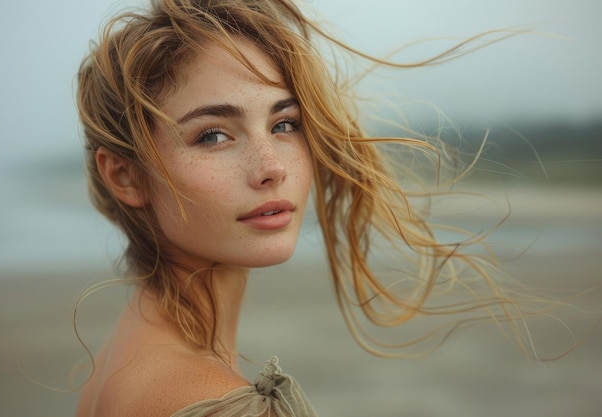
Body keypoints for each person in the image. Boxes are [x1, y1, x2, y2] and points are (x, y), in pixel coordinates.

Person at [74, 1, 549, 416]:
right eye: (214, 135)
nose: (271, 168)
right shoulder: (211, 402)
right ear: (125, 175)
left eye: (285, 124)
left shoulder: (123, 361)